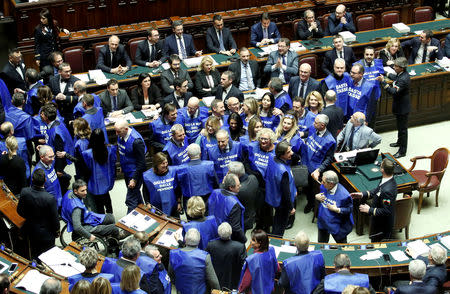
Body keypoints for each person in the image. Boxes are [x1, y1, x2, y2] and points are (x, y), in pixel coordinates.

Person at [17, 169, 60, 259]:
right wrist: (57, 231)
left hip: (30, 230)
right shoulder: (50, 198)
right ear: (45, 180)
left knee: (34, 254)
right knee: (48, 258)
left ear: (32, 179)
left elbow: (19, 211)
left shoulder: (24, 191)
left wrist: (30, 217)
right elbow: (55, 219)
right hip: (46, 234)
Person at [351, 158, 397, 242]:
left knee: (377, 245)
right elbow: (377, 190)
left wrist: (369, 210)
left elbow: (386, 211)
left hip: (382, 225)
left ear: (382, 170)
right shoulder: (387, 180)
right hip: (377, 220)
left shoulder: (388, 190)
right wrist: (362, 194)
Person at [300, 114, 336, 213]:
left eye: (316, 122)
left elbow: (329, 159)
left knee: (311, 189)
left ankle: (311, 203)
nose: (313, 124)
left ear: (322, 125)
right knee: (306, 187)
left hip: (315, 169)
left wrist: (319, 170)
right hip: (305, 162)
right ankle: (309, 200)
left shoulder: (330, 141)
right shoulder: (314, 129)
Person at [376, 57, 410, 158]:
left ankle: (402, 151)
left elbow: (393, 92)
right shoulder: (401, 75)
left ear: (402, 68)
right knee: (400, 127)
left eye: (396, 66)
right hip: (399, 105)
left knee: (403, 129)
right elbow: (395, 78)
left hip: (402, 108)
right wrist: (385, 73)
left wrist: (383, 82)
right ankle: (399, 142)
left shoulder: (403, 79)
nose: (394, 67)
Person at [169, 228, 220, 294]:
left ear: (185, 239)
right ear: (199, 241)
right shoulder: (204, 256)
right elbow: (213, 280)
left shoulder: (173, 254)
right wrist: (218, 291)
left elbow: (171, 275)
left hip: (181, 290)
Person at [265, 141, 296, 237]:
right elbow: (286, 192)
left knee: (277, 220)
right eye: (288, 152)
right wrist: (291, 207)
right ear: (281, 155)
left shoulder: (272, 158)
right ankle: (275, 242)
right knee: (280, 226)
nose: (292, 153)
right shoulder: (283, 171)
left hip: (273, 195)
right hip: (283, 203)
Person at [115, 119, 147, 212]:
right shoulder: (121, 135)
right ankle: (144, 213)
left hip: (135, 173)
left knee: (131, 200)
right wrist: (122, 165)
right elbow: (123, 152)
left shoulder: (136, 141)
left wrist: (134, 179)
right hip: (126, 170)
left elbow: (142, 163)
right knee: (136, 194)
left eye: (118, 131)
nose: (116, 134)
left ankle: (128, 223)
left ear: (126, 129)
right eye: (115, 131)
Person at [40, 103, 74, 191]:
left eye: (42, 113)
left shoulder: (56, 132)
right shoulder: (57, 123)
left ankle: (65, 180)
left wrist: (58, 169)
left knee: (59, 176)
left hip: (60, 159)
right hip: (58, 153)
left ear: (46, 117)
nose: (41, 115)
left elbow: (59, 152)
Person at [82, 128, 116, 214]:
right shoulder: (110, 149)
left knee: (99, 205)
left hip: (94, 183)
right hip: (107, 180)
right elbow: (113, 164)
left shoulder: (87, 153)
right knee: (107, 200)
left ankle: (103, 221)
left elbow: (86, 169)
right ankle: (110, 218)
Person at [315, 171, 353, 243]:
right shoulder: (323, 186)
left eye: (323, 182)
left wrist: (337, 209)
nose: (321, 183)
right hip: (323, 222)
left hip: (337, 227)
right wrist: (316, 197)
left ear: (331, 184)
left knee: (342, 248)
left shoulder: (345, 195)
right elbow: (320, 196)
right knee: (322, 246)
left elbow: (349, 209)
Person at [206, 222, 246, 290]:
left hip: (216, 280)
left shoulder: (211, 245)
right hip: (233, 280)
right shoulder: (239, 247)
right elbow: (244, 265)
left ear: (218, 232)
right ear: (231, 232)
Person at [208, 173, 246, 243]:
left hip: (212, 231)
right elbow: (235, 228)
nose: (240, 186)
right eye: (238, 185)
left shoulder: (214, 192)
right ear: (231, 188)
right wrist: (244, 239)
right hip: (225, 237)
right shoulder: (234, 204)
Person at [177, 144, 217, 211]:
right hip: (207, 200)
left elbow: (178, 187)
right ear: (200, 153)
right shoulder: (209, 165)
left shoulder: (181, 169)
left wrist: (179, 202)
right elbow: (216, 184)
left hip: (190, 203)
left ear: (188, 155)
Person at [238, 229, 278, 294]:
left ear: (259, 243)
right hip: (269, 289)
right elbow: (277, 268)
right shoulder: (271, 250)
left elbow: (246, 281)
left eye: (253, 240)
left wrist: (240, 290)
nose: (250, 241)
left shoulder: (252, 259)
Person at [143, 152, 181, 216]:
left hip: (173, 206)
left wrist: (179, 203)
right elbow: (145, 191)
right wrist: (147, 203)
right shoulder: (147, 176)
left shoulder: (173, 172)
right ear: (156, 164)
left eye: (166, 162)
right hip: (156, 208)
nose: (166, 165)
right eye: (163, 163)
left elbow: (178, 189)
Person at [228, 161, 259, 231]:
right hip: (251, 214)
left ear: (237, 175)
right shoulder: (253, 178)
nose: (228, 174)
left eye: (229, 172)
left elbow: (225, 195)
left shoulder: (239, 190)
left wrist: (224, 184)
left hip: (241, 220)